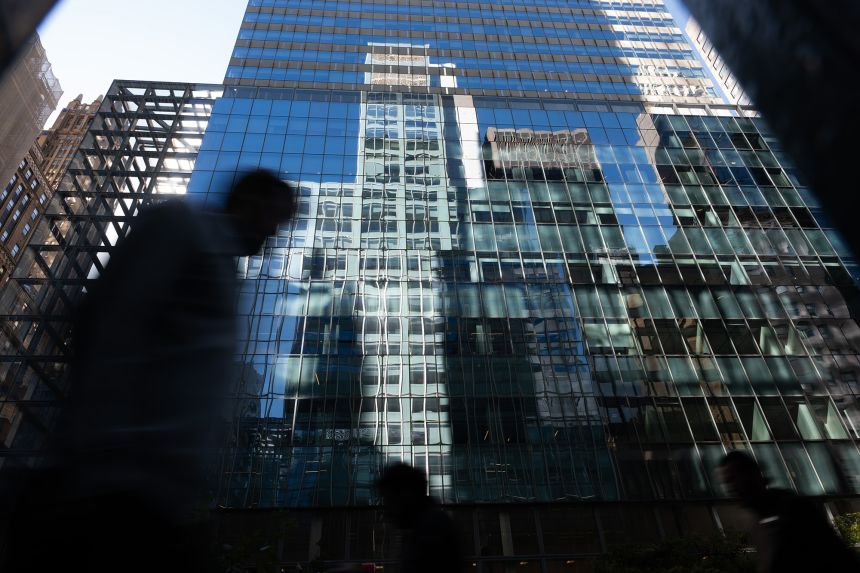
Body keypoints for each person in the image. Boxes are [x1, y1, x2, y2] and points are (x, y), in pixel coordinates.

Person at [3, 170, 297, 572]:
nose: (274, 234)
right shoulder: (180, 225)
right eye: (275, 219)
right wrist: (104, 442)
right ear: (253, 202)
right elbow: (108, 320)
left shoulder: (227, 272)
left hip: (159, 493)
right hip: (112, 480)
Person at [718, 450, 860, 572]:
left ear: (753, 475)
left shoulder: (793, 510)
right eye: (727, 483)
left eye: (734, 480)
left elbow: (836, 557)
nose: (731, 489)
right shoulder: (758, 522)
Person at [375, 463, 464, 573]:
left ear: (407, 495)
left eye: (390, 500)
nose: (387, 510)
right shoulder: (428, 526)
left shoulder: (431, 531)